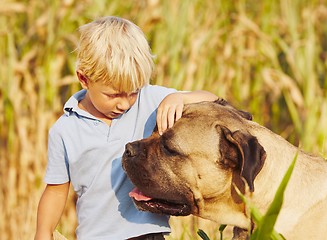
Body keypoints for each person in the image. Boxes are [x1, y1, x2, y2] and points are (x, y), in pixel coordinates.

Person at [34, 16, 218, 240]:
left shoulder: (150, 100)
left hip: (148, 234)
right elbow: (55, 190)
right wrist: (43, 233)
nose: (124, 103)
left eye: (132, 92)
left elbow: (214, 103)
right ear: (84, 79)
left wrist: (180, 98)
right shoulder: (64, 130)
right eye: (112, 95)